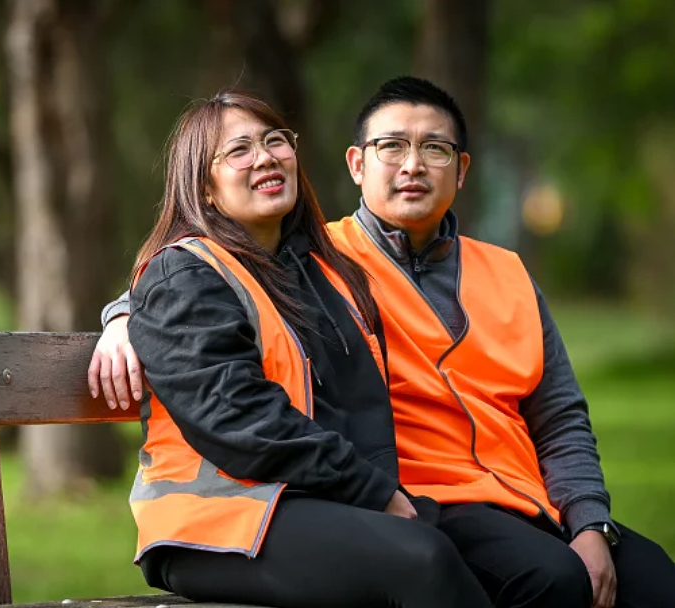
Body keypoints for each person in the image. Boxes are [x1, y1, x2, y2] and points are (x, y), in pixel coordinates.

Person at [90, 77, 675, 608]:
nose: (412, 166)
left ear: (462, 168)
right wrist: (123, 315)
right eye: (391, 146)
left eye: (435, 149)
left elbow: (561, 416)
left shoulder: (314, 267)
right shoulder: (334, 259)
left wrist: (588, 522)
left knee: (653, 579)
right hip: (229, 516)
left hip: (451, 497)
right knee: (481, 570)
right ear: (355, 164)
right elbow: (186, 301)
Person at [113, 90, 493, 608]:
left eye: (274, 141)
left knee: (508, 561)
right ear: (203, 187)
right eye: (239, 150)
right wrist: (375, 492)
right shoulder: (185, 274)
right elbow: (241, 422)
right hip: (213, 522)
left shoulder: (317, 272)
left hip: (303, 499)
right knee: (422, 560)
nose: (265, 157)